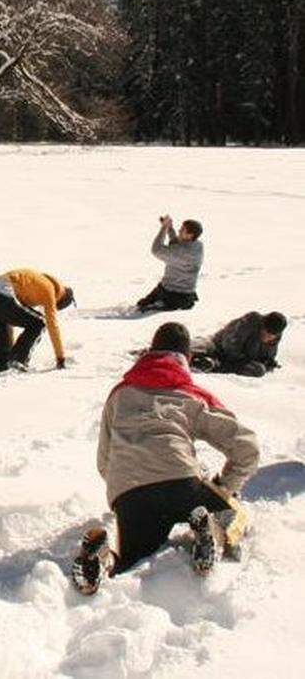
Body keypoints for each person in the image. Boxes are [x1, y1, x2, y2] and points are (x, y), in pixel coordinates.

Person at [71, 322, 259, 594]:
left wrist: (125, 490)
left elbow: (105, 460)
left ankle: (102, 560)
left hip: (128, 492)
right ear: (189, 359)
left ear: (150, 351)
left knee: (130, 562)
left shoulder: (119, 393)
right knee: (233, 514)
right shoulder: (190, 393)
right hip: (180, 480)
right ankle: (212, 533)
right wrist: (225, 486)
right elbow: (247, 447)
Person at [0, 269, 74, 375]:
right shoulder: (49, 289)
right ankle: (18, 361)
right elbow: (52, 324)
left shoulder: (34, 281)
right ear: (60, 299)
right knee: (39, 323)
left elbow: (9, 313)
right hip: (2, 296)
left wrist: (12, 345)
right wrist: (60, 357)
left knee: (4, 350)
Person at [136, 216, 203, 311]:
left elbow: (156, 250)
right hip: (166, 287)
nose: (179, 230)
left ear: (190, 235)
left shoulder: (185, 252)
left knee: (145, 310)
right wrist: (170, 228)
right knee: (141, 304)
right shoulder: (197, 244)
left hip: (177, 295)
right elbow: (175, 245)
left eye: (182, 230)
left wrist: (164, 228)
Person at [191, 311, 287, 377]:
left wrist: (268, 363)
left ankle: (211, 364)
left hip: (235, 362)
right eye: (266, 333)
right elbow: (229, 344)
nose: (267, 338)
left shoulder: (275, 337)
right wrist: (242, 359)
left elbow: (267, 357)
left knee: (258, 370)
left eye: (271, 336)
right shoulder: (250, 321)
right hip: (217, 346)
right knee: (197, 347)